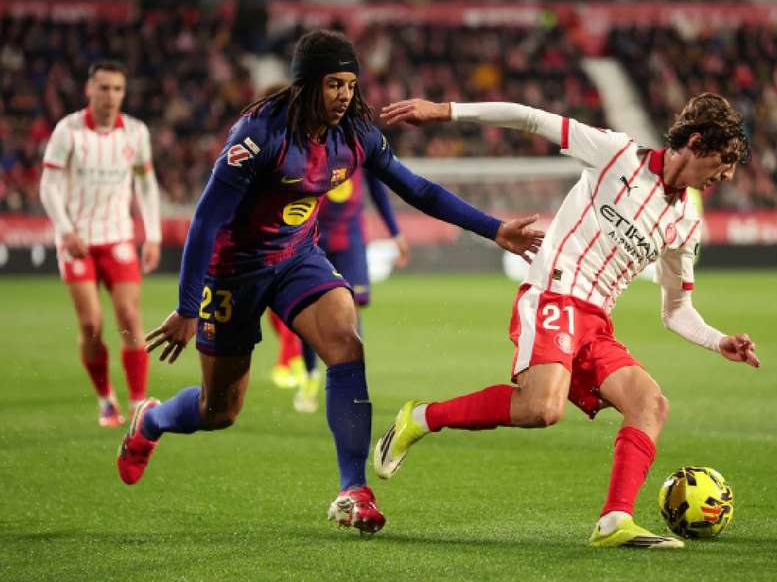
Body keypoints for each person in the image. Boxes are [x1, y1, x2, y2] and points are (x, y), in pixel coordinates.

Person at [115, 30, 541, 537]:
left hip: (298, 257)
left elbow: (418, 189)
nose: (343, 94)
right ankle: (152, 421)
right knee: (219, 410)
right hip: (234, 273)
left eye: (350, 83)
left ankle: (352, 490)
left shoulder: (355, 133)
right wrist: (187, 308)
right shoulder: (258, 135)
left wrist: (494, 229)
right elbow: (205, 222)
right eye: (333, 83)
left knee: (346, 341)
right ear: (305, 84)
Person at [374, 93, 760, 548]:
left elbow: (675, 310)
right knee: (543, 408)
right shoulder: (615, 152)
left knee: (650, 404)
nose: (728, 173)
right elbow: (531, 117)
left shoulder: (685, 226)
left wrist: (718, 341)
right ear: (696, 142)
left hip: (596, 322)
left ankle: (614, 521)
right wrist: (447, 111)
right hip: (554, 293)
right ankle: (420, 417)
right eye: (726, 159)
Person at [39, 60, 161, 428]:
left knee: (129, 318)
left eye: (117, 89)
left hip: (119, 236)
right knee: (91, 324)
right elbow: (47, 186)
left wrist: (151, 234)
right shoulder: (69, 131)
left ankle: (138, 401)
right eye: (103, 88)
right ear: (89, 90)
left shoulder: (136, 133)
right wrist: (65, 230)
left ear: (124, 92)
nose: (110, 96)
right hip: (78, 239)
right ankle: (107, 399)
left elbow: (146, 184)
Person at [288, 168, 410, 413]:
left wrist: (395, 232)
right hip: (312, 236)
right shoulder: (312, 139)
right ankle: (311, 375)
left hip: (350, 238)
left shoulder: (361, 141)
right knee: (309, 307)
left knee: (352, 311)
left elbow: (377, 189)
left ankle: (352, 387)